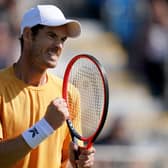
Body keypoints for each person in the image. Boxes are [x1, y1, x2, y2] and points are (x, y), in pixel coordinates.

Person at [0, 5, 95, 168]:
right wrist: (45, 126)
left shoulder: (70, 94)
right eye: (52, 35)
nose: (59, 45)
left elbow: (67, 158)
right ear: (29, 35)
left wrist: (81, 161)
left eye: (63, 39)